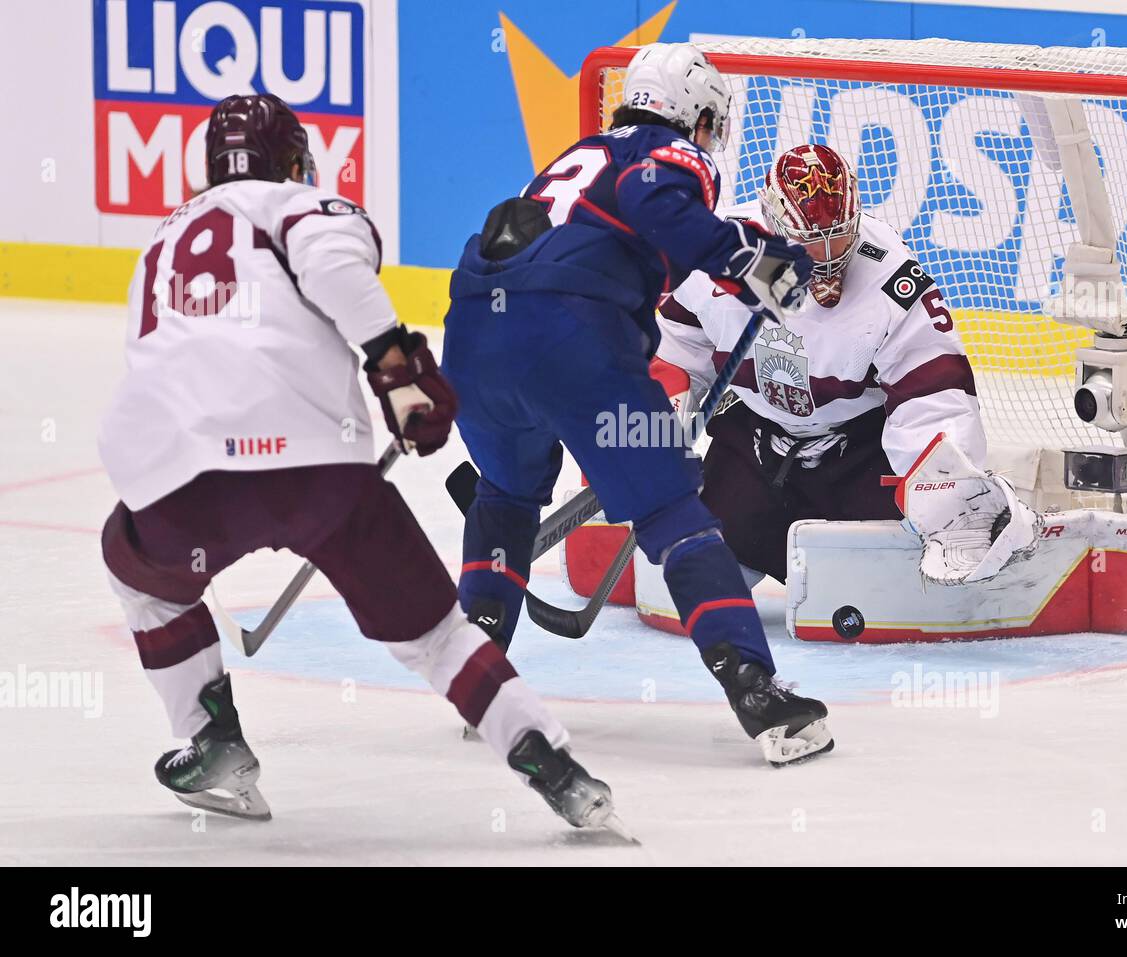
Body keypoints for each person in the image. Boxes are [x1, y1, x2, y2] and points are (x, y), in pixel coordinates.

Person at [98, 93, 621, 834]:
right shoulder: (303, 206)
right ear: (289, 159)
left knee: (140, 578)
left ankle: (211, 739)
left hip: (183, 476)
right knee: (438, 636)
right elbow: (335, 264)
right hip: (318, 470)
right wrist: (395, 366)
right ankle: (558, 769)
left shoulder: (159, 244)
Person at [441, 43, 833, 766]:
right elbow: (660, 206)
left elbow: (632, 233)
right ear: (698, 116)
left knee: (504, 492)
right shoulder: (671, 154)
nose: (714, 139)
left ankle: (480, 678)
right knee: (671, 511)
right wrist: (751, 260)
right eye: (712, 124)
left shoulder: (579, 155)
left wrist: (745, 260)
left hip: (471, 339)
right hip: (570, 344)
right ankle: (755, 687)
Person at [652, 143, 989, 585]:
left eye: (841, 237)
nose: (828, 256)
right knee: (694, 582)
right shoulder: (716, 254)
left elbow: (933, 397)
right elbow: (675, 351)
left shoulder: (891, 278)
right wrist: (653, 430)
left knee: (877, 588)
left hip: (859, 455)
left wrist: (951, 497)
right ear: (773, 228)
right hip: (756, 442)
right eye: (809, 245)